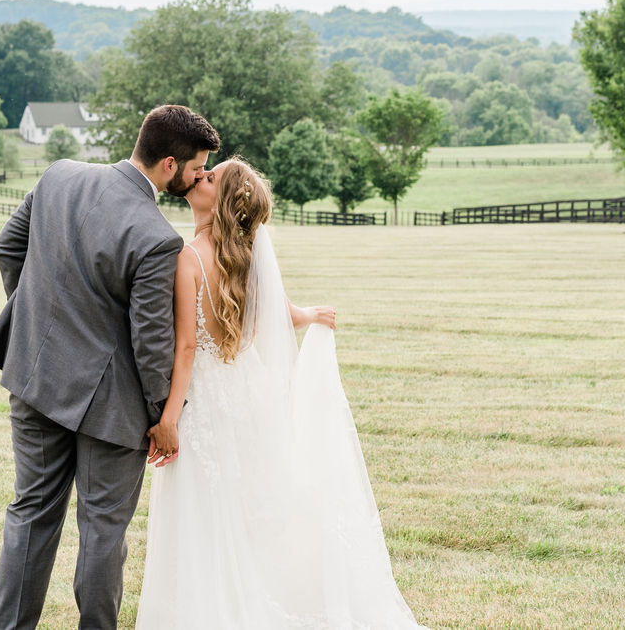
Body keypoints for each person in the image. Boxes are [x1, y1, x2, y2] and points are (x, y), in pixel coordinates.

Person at [136, 158, 428, 629]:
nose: (199, 178)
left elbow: (186, 348)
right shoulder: (247, 259)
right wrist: (308, 313)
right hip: (245, 401)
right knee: (240, 512)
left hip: (206, 408)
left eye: (210, 178)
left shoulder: (187, 258)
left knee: (202, 517)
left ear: (223, 201)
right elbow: (276, 311)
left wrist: (169, 419)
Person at [0, 105, 220, 630]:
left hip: (35, 379)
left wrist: (40, 328)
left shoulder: (58, 175)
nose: (201, 176)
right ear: (169, 164)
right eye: (198, 166)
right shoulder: (157, 236)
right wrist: (161, 415)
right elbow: (151, 340)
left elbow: (7, 245)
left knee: (30, 513)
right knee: (103, 530)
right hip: (112, 409)